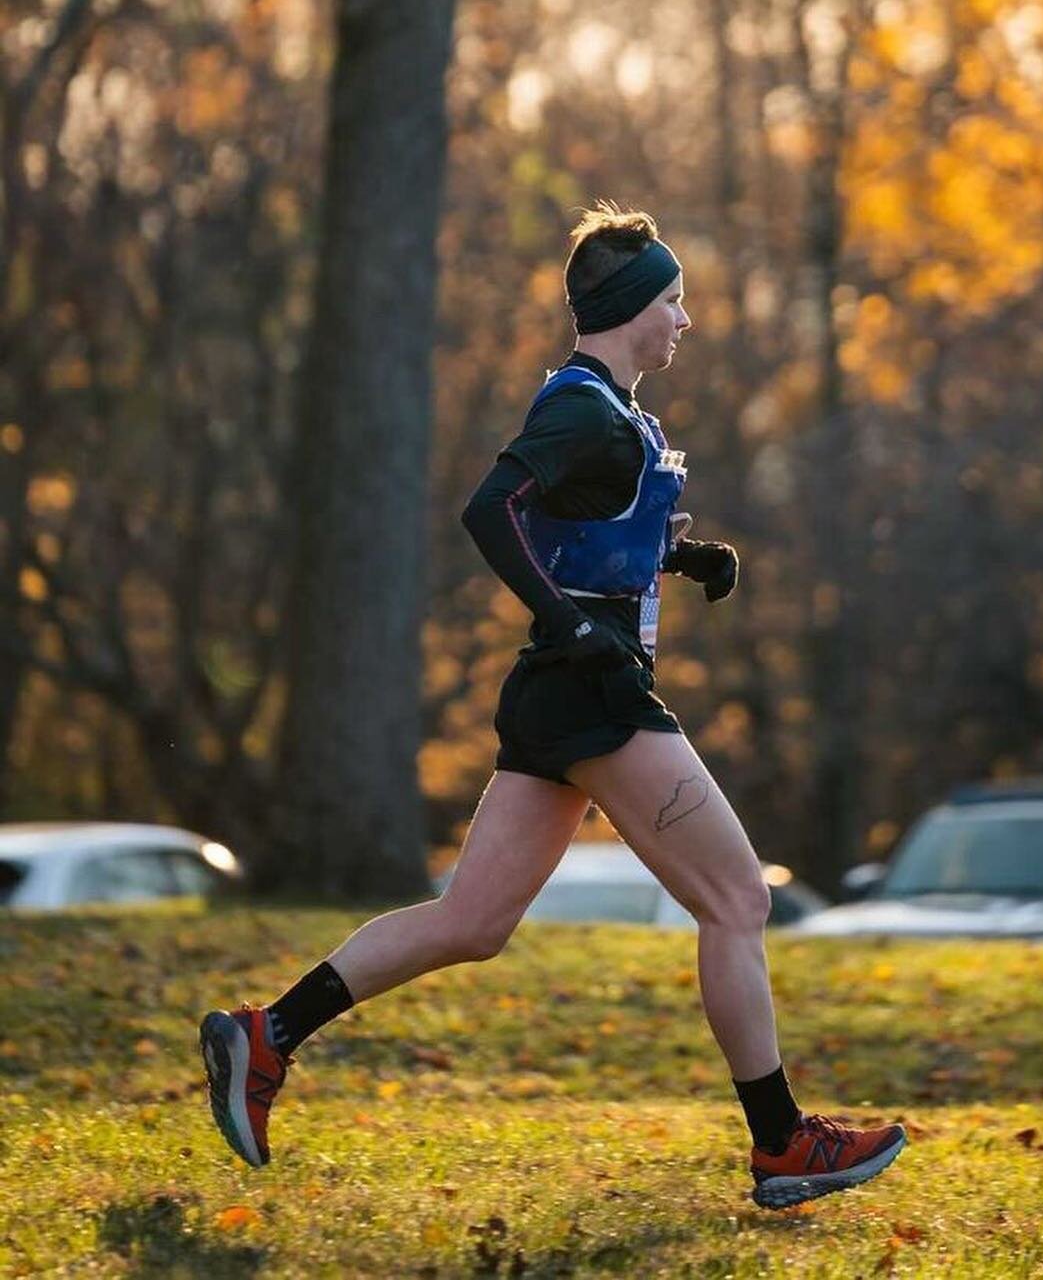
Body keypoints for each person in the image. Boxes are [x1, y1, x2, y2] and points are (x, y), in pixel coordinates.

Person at [198, 202, 906, 1210]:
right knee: (737, 900)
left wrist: (681, 557)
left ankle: (265, 1036)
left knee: (473, 922)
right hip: (593, 692)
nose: (685, 320)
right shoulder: (581, 409)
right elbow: (491, 511)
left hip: (561, 695)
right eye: (673, 301)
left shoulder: (616, 416)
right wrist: (568, 622)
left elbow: (585, 532)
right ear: (629, 308)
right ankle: (783, 1143)